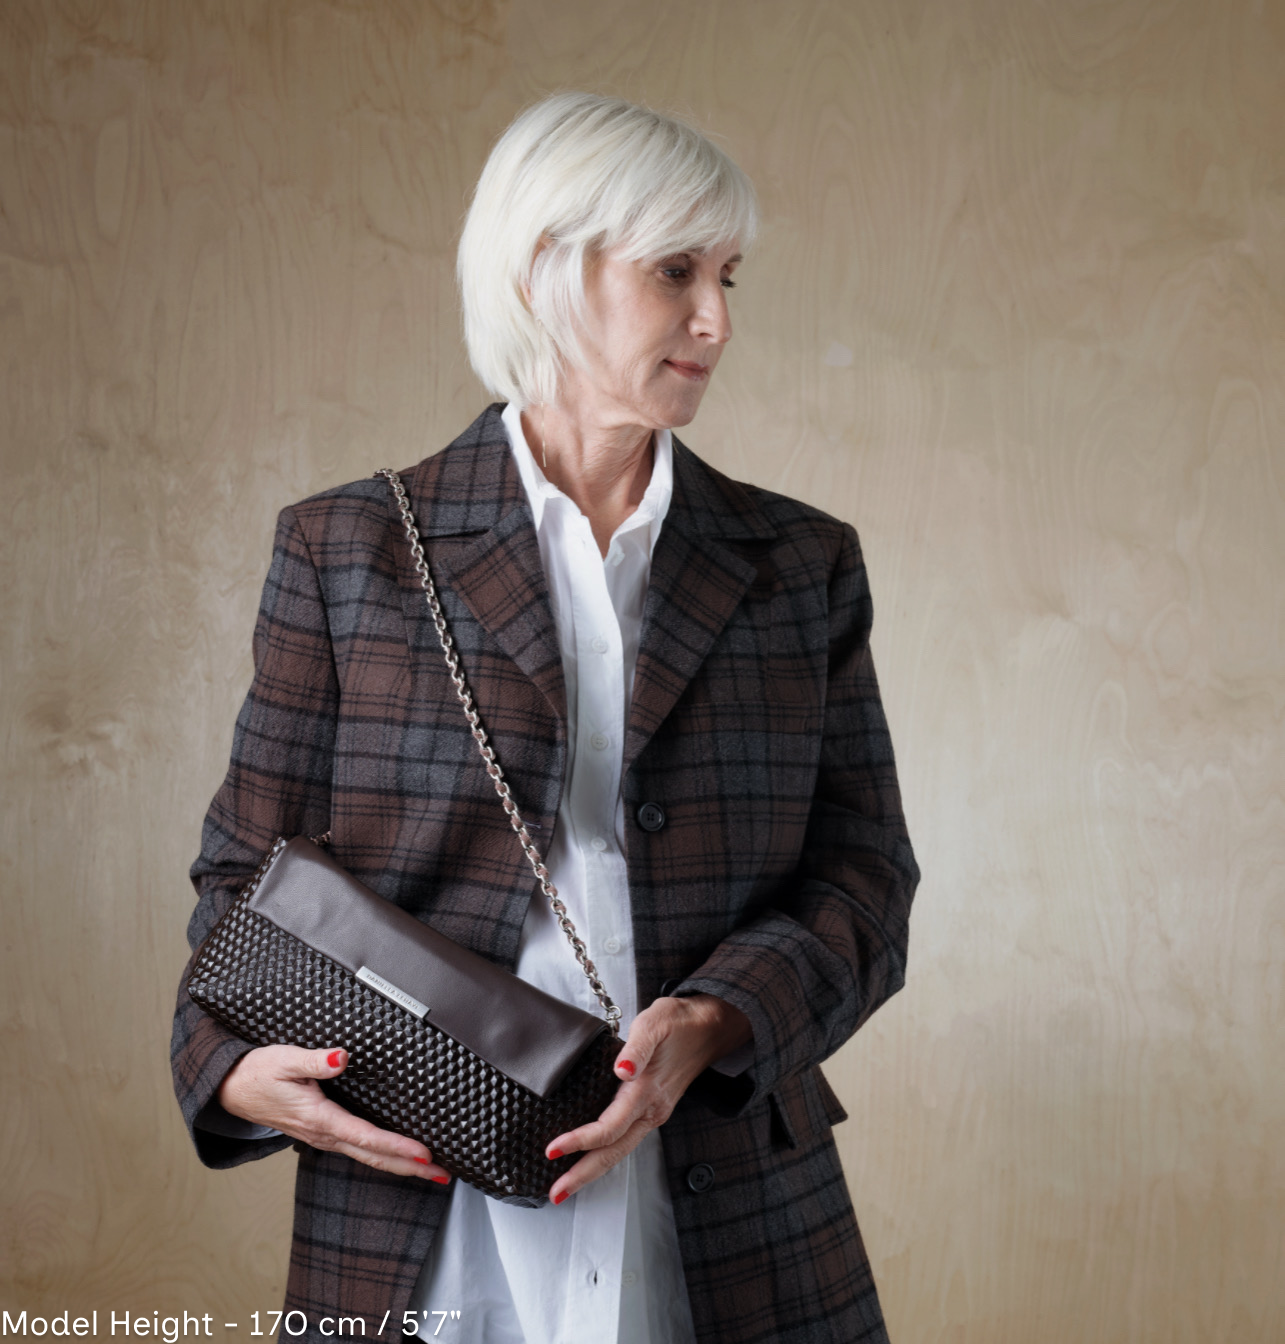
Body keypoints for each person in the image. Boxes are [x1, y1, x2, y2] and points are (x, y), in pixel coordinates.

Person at [171, 91, 919, 1344]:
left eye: (728, 276)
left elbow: (865, 879)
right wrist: (229, 1072)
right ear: (543, 271)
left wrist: (717, 1019)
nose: (717, 319)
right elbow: (244, 876)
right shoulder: (348, 550)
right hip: (422, 1196)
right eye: (675, 271)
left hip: (732, 1199)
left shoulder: (799, 563)